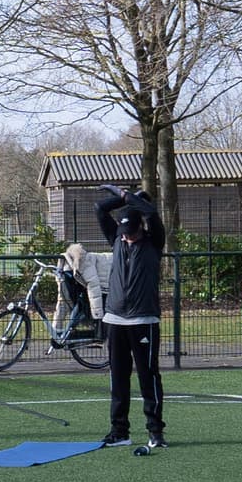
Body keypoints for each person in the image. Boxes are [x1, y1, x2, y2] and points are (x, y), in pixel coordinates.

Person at [90, 186, 165, 454]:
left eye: (131, 233)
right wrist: (121, 196)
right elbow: (100, 208)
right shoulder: (117, 239)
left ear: (141, 229)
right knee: (118, 378)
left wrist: (129, 197)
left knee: (148, 378)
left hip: (144, 320)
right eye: (124, 234)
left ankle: (155, 432)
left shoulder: (154, 241)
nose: (127, 238)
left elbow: (151, 211)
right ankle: (119, 431)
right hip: (115, 319)